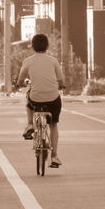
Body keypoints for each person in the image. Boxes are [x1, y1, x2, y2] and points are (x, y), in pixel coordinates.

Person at [16, 34, 65, 167]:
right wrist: (61, 85)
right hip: (53, 99)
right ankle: (54, 156)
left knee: (28, 99)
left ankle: (30, 124)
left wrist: (21, 83)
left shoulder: (28, 61)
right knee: (53, 124)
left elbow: (20, 80)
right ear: (47, 46)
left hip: (36, 99)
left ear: (32, 46)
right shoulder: (53, 60)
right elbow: (61, 80)